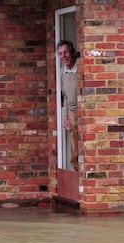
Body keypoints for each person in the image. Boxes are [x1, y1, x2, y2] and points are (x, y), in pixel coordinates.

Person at [57, 40, 79, 171]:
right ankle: (77, 172)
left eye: (65, 52)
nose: (63, 56)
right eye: (60, 54)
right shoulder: (62, 72)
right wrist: (65, 116)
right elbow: (64, 96)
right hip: (71, 113)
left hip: (82, 112)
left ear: (71, 52)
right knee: (74, 148)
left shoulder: (79, 68)